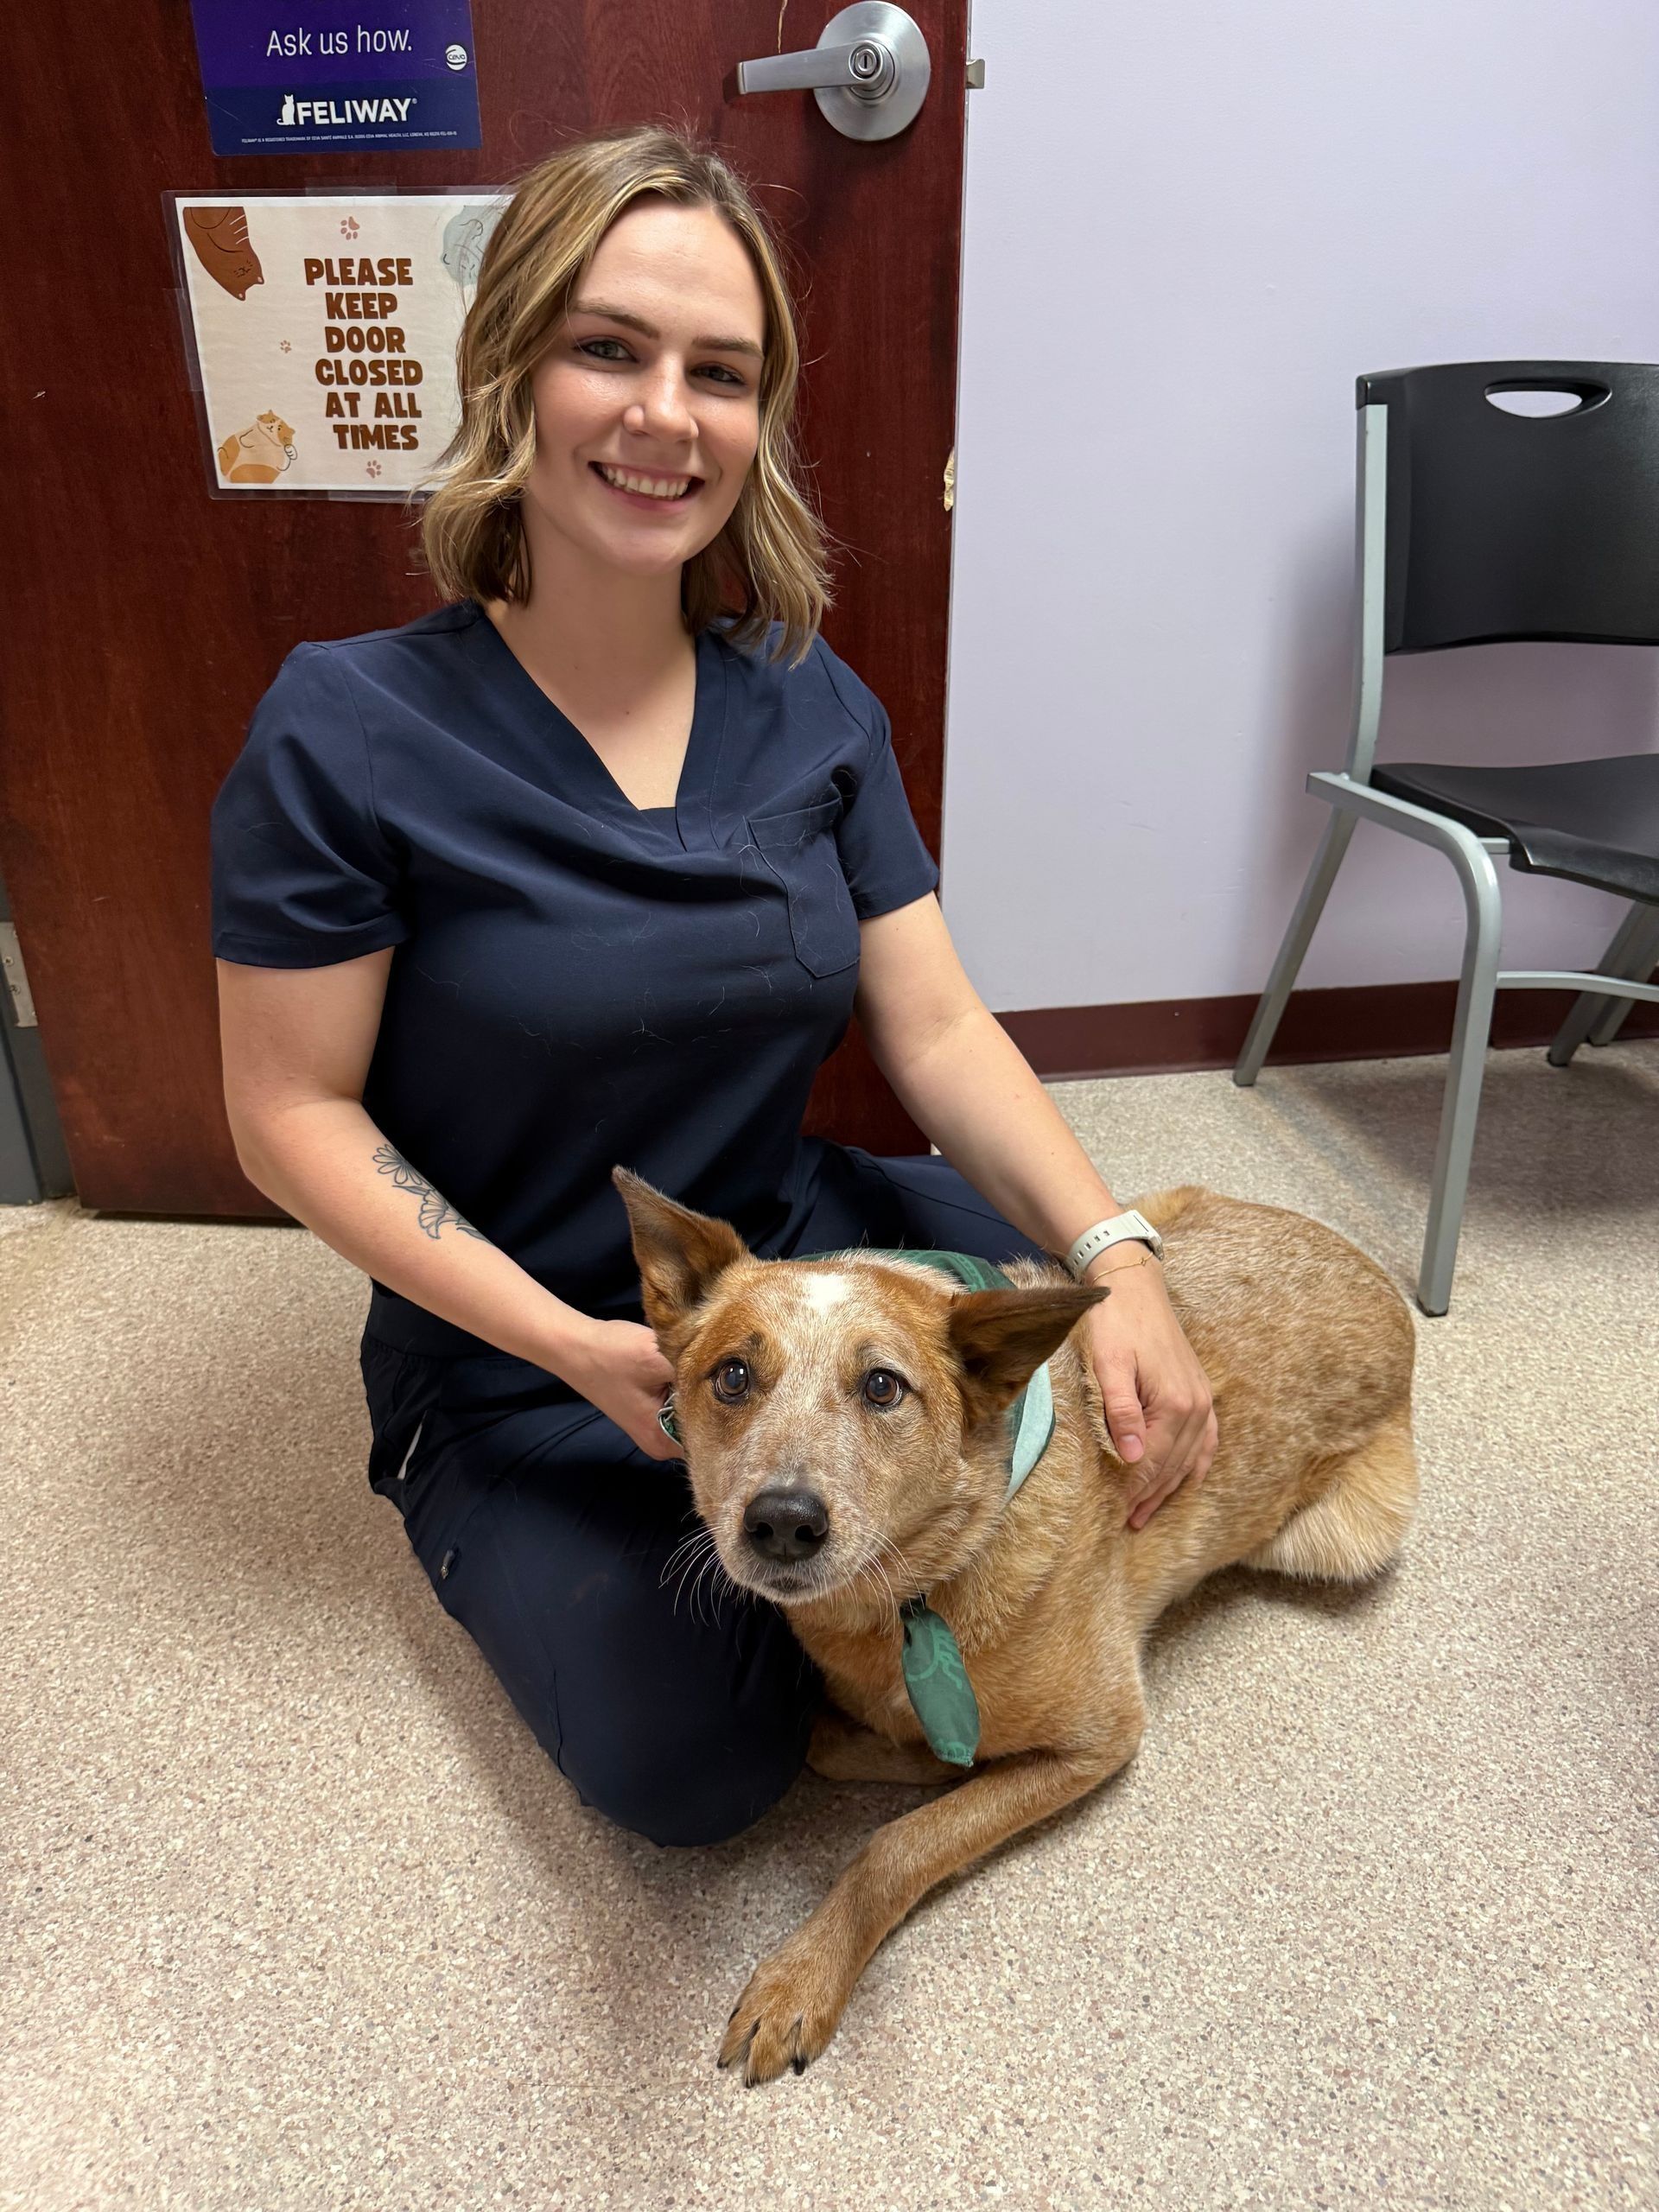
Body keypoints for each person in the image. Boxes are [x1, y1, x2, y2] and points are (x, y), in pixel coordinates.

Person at [211, 124, 1217, 1850]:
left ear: (760, 421)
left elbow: (937, 1024)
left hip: (798, 1254)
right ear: (513, 367)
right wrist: (584, 1351)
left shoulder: (807, 698)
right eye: (609, 347)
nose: (666, 413)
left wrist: (1117, 1254)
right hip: (522, 1343)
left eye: (721, 372)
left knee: (1128, 1369)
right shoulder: (348, 727)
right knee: (700, 1761)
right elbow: (284, 1108)